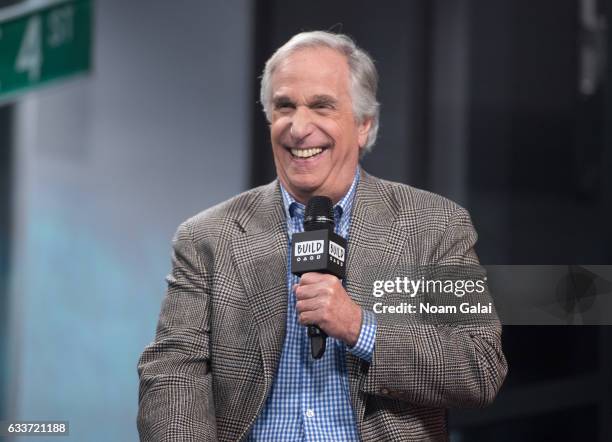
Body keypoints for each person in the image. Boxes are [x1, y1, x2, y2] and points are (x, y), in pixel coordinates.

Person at [137, 31, 507, 441]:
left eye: (321, 106)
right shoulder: (207, 239)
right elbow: (173, 373)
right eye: (284, 107)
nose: (299, 127)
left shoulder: (435, 225)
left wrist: (359, 327)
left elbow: (480, 365)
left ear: (364, 125)